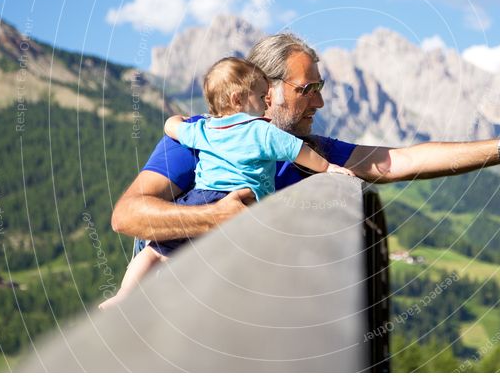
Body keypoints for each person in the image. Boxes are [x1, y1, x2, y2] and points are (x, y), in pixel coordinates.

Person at [110, 33, 500, 256]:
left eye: (320, 87)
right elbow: (127, 216)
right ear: (266, 91)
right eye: (306, 89)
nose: (319, 99)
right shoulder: (202, 134)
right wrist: (215, 216)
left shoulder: (314, 153)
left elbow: (404, 160)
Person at [100, 57, 354, 308]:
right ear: (237, 99)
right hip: (235, 202)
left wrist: (174, 119)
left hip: (197, 199)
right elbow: (299, 151)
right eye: (261, 95)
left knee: (154, 252)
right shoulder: (262, 130)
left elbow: (173, 128)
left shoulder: (205, 129)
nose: (267, 101)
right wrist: (328, 167)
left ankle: (123, 296)